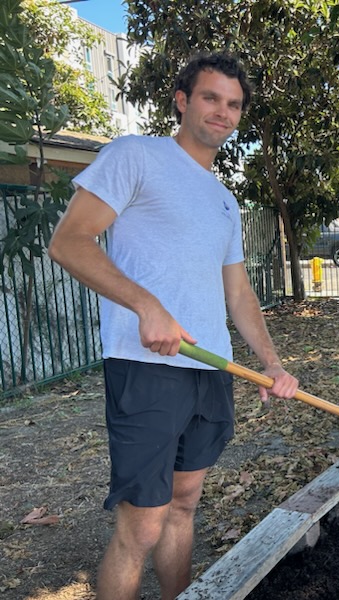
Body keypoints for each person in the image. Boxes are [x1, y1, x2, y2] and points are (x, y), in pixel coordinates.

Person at [47, 53, 299, 600]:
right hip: (148, 366)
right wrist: (145, 305)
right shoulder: (135, 155)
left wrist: (273, 364)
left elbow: (238, 292)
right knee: (142, 525)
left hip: (210, 368)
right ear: (183, 101)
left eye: (233, 105)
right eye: (211, 98)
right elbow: (68, 242)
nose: (223, 112)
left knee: (184, 506)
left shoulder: (225, 202)